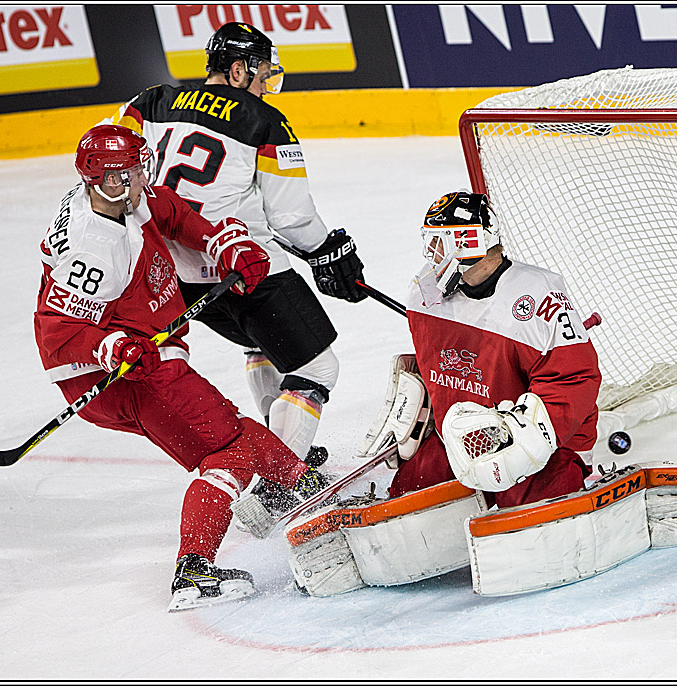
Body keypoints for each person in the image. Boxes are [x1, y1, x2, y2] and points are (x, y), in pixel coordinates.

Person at [33, 124, 329, 612]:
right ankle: (192, 572)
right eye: (118, 177)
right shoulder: (93, 247)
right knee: (227, 455)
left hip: (148, 353)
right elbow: (56, 334)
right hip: (114, 376)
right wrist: (110, 347)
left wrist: (220, 242)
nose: (132, 182)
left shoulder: (121, 196)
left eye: (134, 170)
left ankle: (293, 482)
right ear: (93, 180)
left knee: (230, 428)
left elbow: (167, 210)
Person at [278, 191, 607, 597]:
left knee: (522, 510)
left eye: (439, 241)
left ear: (467, 242)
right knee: (407, 498)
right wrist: (414, 412)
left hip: (538, 445)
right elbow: (436, 370)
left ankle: (560, 486)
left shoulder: (537, 297)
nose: (431, 253)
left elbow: (573, 381)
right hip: (458, 440)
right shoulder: (426, 293)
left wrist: (525, 438)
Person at [107, 22, 367, 508]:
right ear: (238, 69)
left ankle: (276, 451)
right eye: (263, 74)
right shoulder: (265, 121)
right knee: (317, 366)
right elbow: (292, 220)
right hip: (240, 266)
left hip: (173, 276)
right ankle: (281, 479)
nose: (267, 85)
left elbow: (113, 167)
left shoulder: (149, 102)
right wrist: (330, 251)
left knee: (258, 342)